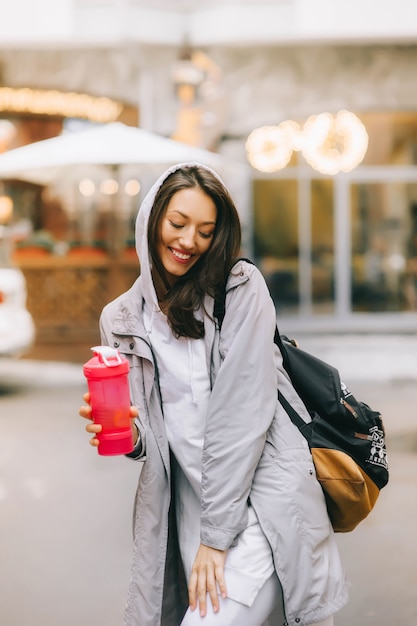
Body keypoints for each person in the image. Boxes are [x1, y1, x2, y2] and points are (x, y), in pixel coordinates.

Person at [80, 163, 348, 626]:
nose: (189, 242)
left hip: (261, 506)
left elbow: (243, 417)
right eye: (178, 223)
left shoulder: (240, 291)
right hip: (191, 509)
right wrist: (129, 432)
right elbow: (155, 436)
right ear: (152, 219)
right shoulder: (121, 319)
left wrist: (217, 537)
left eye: (205, 231)